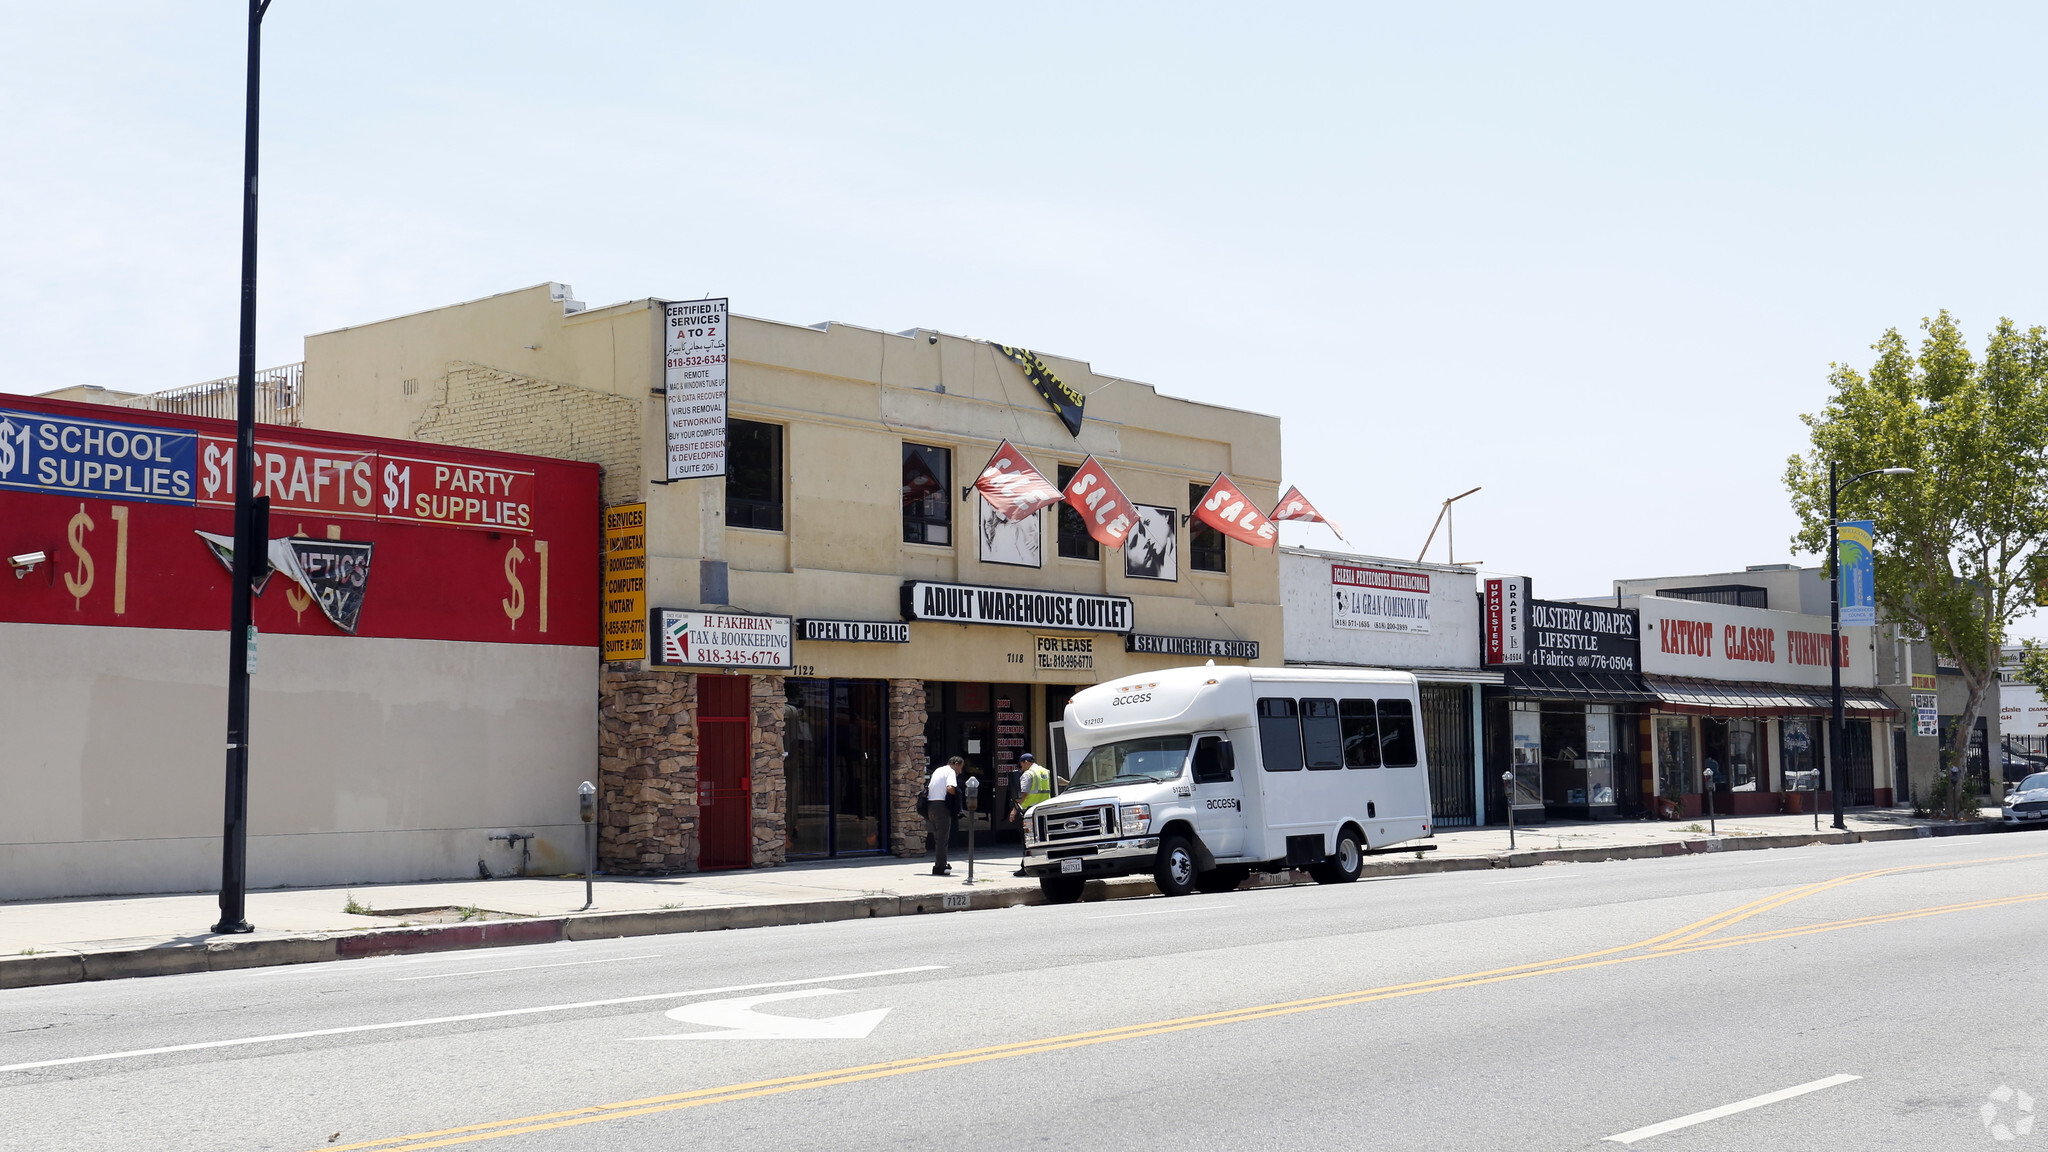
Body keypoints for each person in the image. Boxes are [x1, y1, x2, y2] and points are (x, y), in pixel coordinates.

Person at [1010, 752, 1066, 875]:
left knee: (1027, 840)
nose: (1021, 768)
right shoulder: (1045, 772)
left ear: (1026, 762)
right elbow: (1058, 780)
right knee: (1045, 838)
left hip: (1029, 811)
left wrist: (1014, 810)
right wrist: (1070, 783)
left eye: (1021, 765)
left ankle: (1025, 867)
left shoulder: (1028, 774)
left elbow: (1022, 794)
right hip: (1045, 811)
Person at [926, 756, 963, 876]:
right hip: (941, 807)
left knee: (938, 838)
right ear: (956, 764)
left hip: (931, 806)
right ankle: (941, 867)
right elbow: (950, 788)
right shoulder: (950, 771)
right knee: (943, 839)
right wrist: (957, 794)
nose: (960, 772)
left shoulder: (938, 770)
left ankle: (938, 864)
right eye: (960, 768)